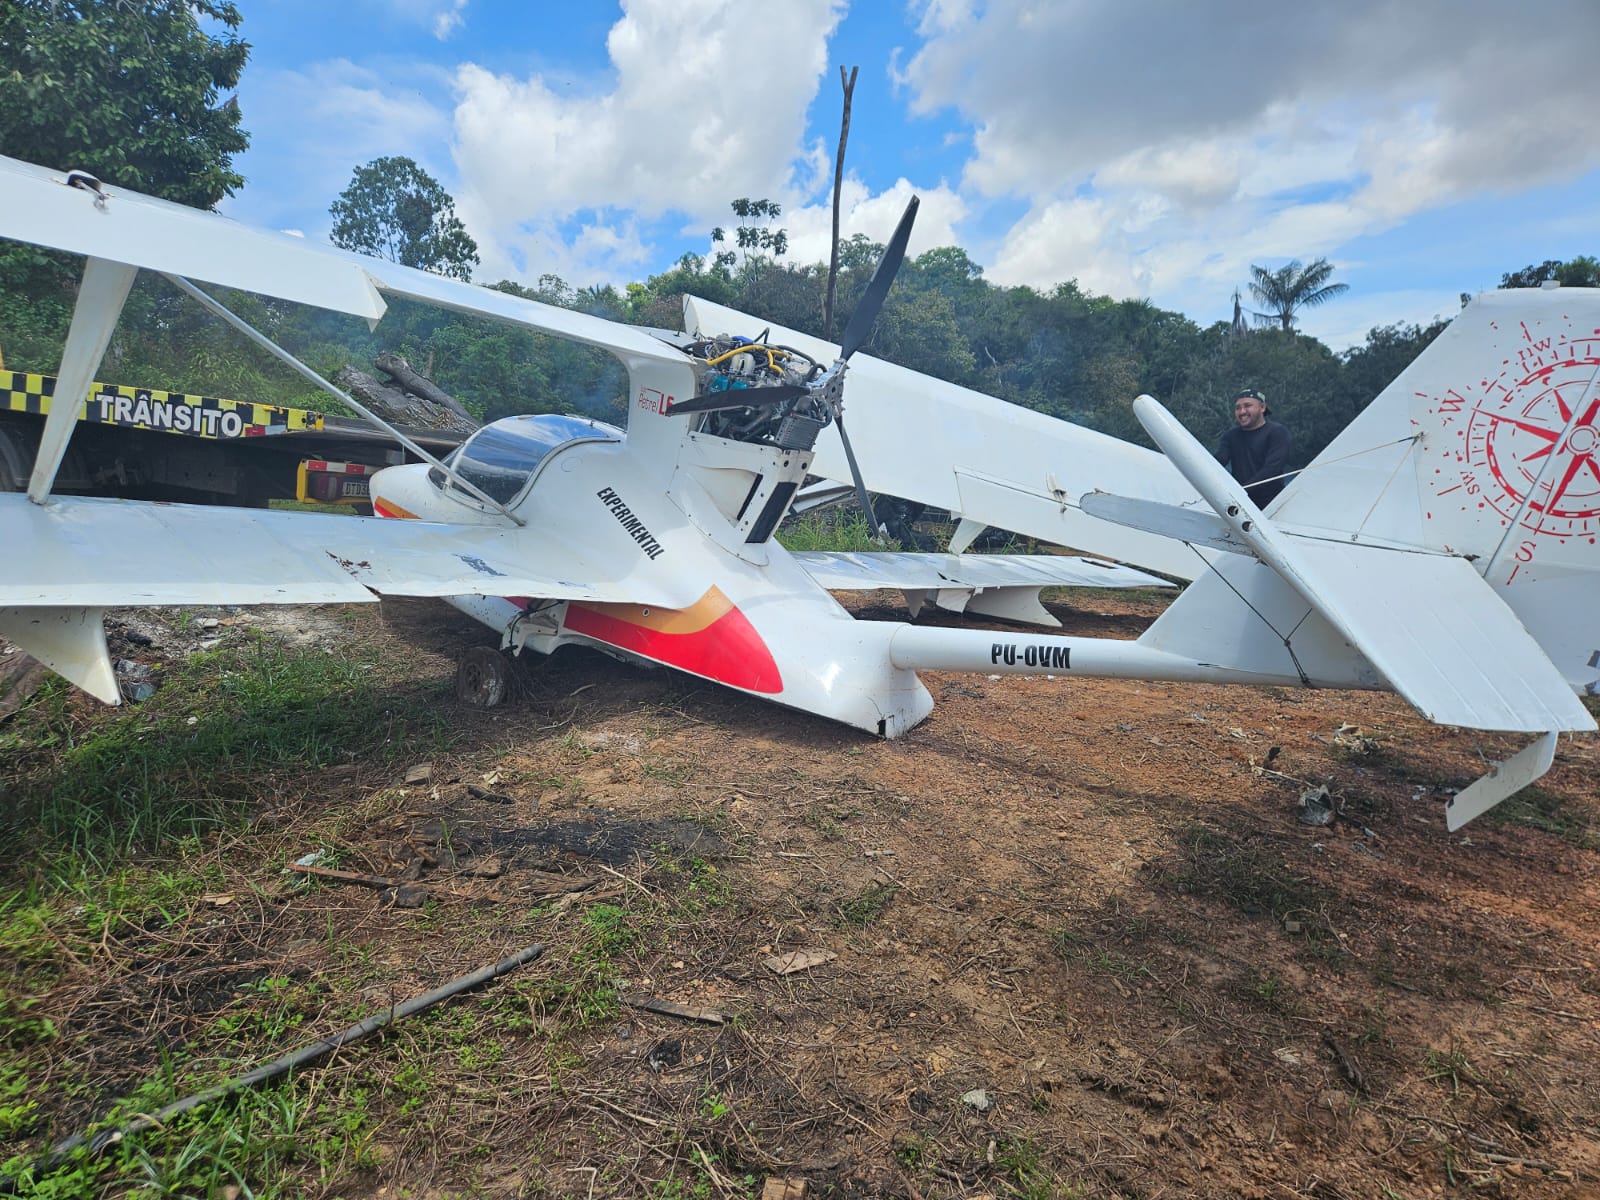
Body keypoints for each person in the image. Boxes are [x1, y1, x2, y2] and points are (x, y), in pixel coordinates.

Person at [1214, 387, 1292, 507]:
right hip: (1239, 505)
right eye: (1238, 408)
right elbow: (1217, 462)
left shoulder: (1277, 432)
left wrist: (1241, 491)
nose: (1242, 412)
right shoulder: (1231, 436)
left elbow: (1271, 469)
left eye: (1247, 406)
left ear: (1262, 408)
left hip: (1272, 505)